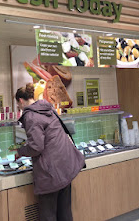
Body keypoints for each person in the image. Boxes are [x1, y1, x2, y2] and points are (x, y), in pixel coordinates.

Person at [15, 83, 85, 221]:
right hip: (65, 165)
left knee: (48, 215)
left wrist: (20, 151)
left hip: (51, 173)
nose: (18, 107)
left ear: (21, 101)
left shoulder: (30, 116)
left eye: (18, 103)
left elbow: (36, 147)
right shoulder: (47, 108)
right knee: (65, 212)